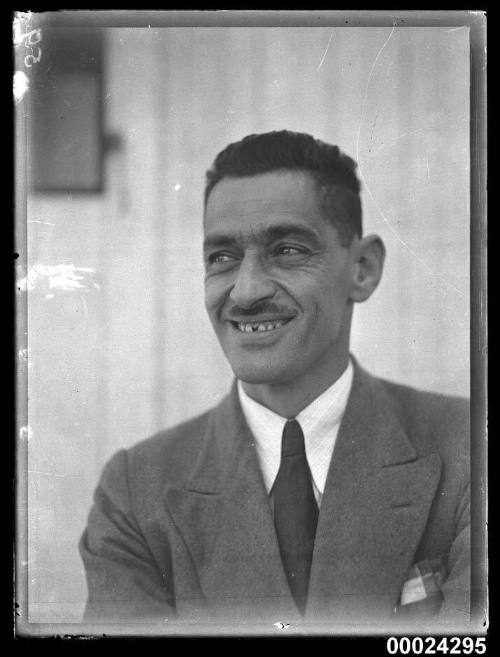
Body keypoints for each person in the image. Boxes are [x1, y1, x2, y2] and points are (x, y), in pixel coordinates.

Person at [79, 130, 470, 629]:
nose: (245, 291)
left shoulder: (468, 452)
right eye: (221, 257)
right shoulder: (137, 491)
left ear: (363, 269)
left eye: (286, 250)